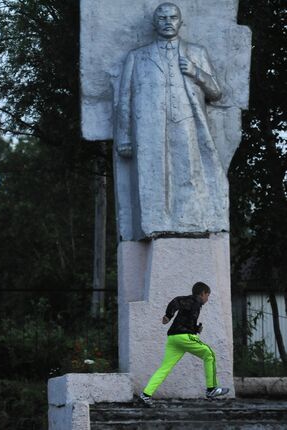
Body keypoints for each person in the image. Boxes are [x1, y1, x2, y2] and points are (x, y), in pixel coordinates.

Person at [115, 2, 228, 240]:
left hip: (186, 120)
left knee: (188, 172)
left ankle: (190, 221)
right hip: (149, 126)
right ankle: (156, 222)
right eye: (163, 18)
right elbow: (124, 98)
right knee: (153, 176)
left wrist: (196, 72)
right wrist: (124, 137)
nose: (168, 22)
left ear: (181, 22)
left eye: (173, 17)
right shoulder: (137, 57)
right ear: (155, 23)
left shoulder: (196, 53)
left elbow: (216, 92)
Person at [138, 282, 229, 406]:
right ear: (202, 294)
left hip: (173, 338)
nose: (208, 299)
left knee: (164, 368)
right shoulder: (194, 301)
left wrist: (196, 329)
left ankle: (145, 394)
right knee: (209, 354)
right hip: (183, 337)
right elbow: (176, 301)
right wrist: (168, 315)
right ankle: (211, 389)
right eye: (208, 295)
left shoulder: (192, 303)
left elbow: (184, 316)